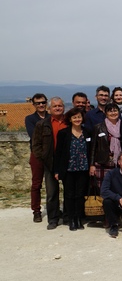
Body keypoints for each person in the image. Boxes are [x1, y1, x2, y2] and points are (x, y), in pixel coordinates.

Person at [52, 107, 92, 231]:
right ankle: (71, 219)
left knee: (80, 195)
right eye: (74, 117)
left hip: (83, 168)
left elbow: (90, 151)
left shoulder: (87, 132)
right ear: (70, 119)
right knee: (69, 195)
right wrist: (57, 170)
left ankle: (79, 218)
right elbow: (58, 153)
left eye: (79, 117)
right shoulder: (63, 133)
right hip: (68, 168)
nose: (77, 119)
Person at [31, 97, 67, 230]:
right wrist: (44, 158)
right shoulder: (42, 124)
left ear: (63, 107)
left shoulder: (69, 122)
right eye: (55, 106)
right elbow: (36, 145)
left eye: (60, 106)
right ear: (49, 109)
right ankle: (53, 219)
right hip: (50, 163)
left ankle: (68, 216)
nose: (57, 108)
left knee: (68, 191)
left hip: (66, 162)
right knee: (52, 192)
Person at [89, 103, 122, 213]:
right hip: (103, 163)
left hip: (119, 163)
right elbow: (93, 147)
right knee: (104, 190)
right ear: (105, 113)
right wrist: (92, 164)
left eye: (115, 110)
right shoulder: (99, 127)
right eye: (110, 111)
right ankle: (105, 215)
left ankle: (116, 213)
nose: (113, 113)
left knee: (117, 189)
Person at [25, 93, 47, 222]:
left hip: (51, 154)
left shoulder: (51, 117)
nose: (41, 105)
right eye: (38, 103)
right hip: (37, 154)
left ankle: (54, 208)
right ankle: (36, 210)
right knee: (36, 183)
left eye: (43, 102)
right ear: (33, 105)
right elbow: (33, 135)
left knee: (53, 183)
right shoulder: (30, 119)